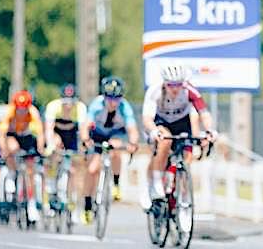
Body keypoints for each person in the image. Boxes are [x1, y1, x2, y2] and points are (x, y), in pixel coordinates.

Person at [142, 63, 216, 204]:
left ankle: (181, 192)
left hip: (182, 122)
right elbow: (147, 118)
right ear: (165, 83)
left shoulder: (190, 90)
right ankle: (156, 182)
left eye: (178, 84)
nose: (175, 89)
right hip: (160, 122)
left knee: (187, 157)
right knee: (165, 142)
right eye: (171, 85)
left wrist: (209, 131)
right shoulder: (155, 91)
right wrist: (154, 131)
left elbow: (204, 113)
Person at [82, 76, 139, 224]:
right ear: (104, 96)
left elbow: (132, 128)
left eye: (117, 98)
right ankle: (87, 204)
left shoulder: (124, 107)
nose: (113, 102)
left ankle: (115, 183)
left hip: (115, 133)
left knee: (116, 148)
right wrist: (85, 139)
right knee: (92, 169)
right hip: (98, 135)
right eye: (109, 98)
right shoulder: (97, 104)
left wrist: (133, 143)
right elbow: (86, 125)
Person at [0, 90, 45, 222]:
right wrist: (3, 149)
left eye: (24, 109)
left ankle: (31, 204)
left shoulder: (33, 112)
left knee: (30, 171)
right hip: (13, 136)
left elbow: (40, 133)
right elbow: (2, 134)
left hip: (27, 137)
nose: (22, 111)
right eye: (19, 109)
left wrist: (40, 149)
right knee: (12, 148)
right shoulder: (9, 111)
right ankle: (12, 175)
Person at [44, 83, 87, 223]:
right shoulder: (53, 106)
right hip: (57, 134)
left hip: (72, 136)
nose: (68, 106)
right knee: (54, 147)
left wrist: (82, 148)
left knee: (74, 169)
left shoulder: (80, 108)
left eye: (71, 102)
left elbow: (81, 132)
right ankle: (51, 181)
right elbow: (49, 129)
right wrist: (50, 145)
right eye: (66, 102)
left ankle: (72, 204)